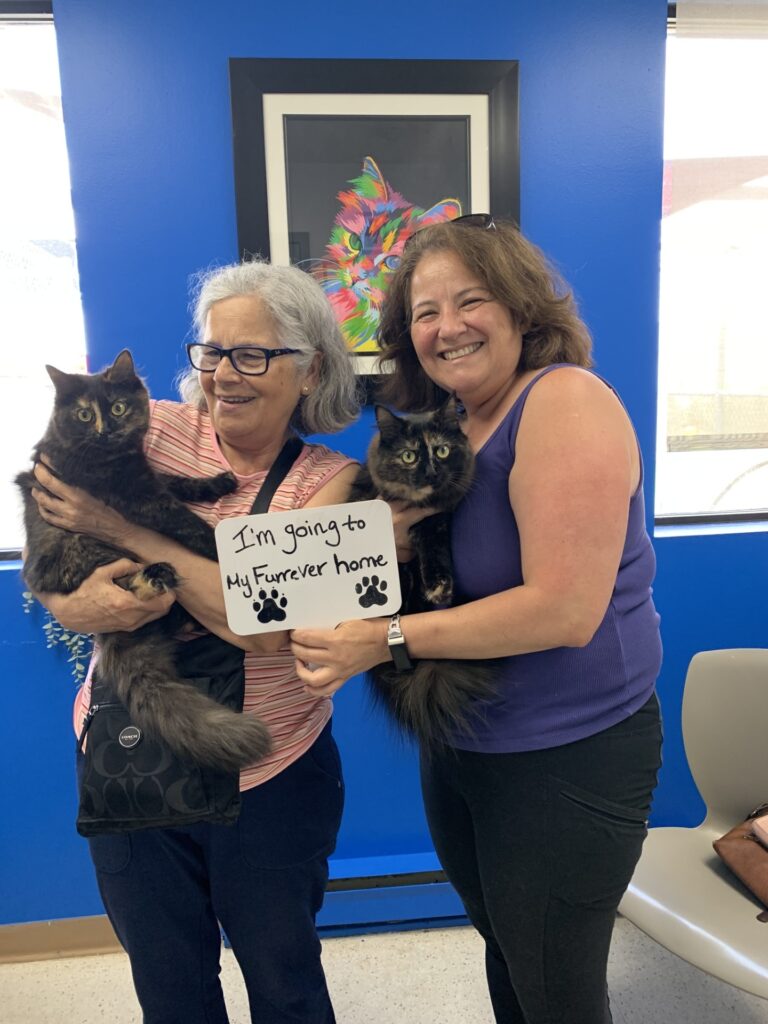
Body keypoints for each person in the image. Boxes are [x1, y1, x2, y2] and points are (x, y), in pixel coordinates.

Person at [289, 216, 663, 1024]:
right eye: (425, 312)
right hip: (467, 745)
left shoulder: (563, 401)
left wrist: (382, 639)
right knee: (507, 950)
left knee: (556, 988)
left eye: (472, 300)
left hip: (569, 753)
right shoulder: (456, 424)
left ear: (523, 305)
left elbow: (564, 610)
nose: (447, 327)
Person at [28, 259, 361, 1024]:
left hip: (268, 777)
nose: (223, 375)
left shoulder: (332, 486)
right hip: (130, 760)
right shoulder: (148, 426)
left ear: (308, 370)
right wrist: (71, 601)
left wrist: (117, 528)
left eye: (252, 355)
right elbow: (50, 515)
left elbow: (272, 629)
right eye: (211, 352)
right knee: (171, 991)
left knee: (286, 986)